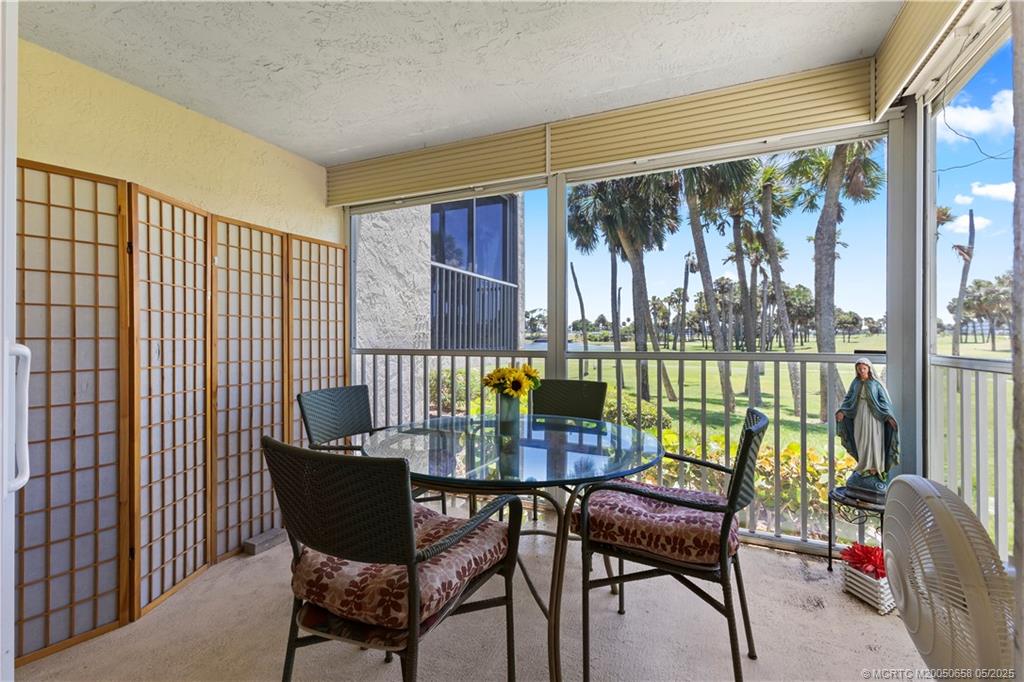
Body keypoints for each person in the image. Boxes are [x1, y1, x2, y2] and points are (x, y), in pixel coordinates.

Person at [835, 358, 899, 500]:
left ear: (869, 369)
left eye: (864, 369)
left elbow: (884, 402)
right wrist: (842, 411)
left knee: (873, 441)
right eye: (859, 369)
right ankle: (863, 465)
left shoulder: (876, 384)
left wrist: (888, 416)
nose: (861, 371)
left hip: (874, 418)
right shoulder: (856, 383)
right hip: (859, 415)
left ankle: (875, 468)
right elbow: (849, 398)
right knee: (861, 441)